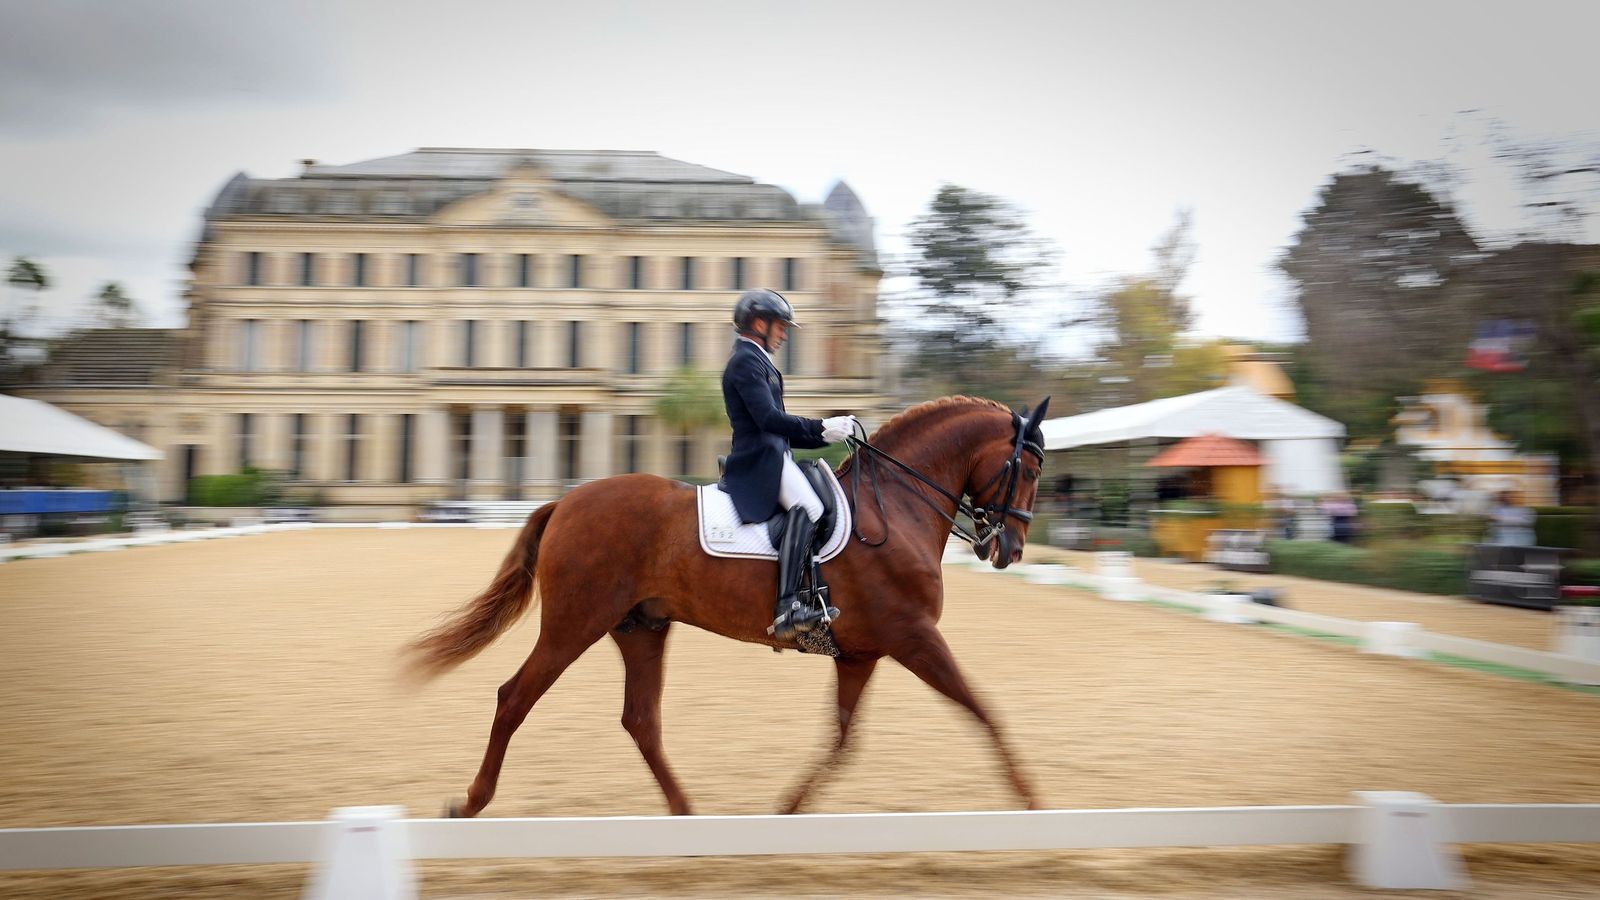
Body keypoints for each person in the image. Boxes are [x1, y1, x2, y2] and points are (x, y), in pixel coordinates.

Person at [720, 289, 856, 639]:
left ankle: (811, 592)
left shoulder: (760, 361)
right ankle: (787, 608)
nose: (784, 334)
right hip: (759, 462)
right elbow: (767, 419)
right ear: (760, 323)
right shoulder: (746, 362)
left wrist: (825, 435)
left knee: (819, 501)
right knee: (810, 507)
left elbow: (780, 430)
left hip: (775, 455)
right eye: (781, 326)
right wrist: (820, 426)